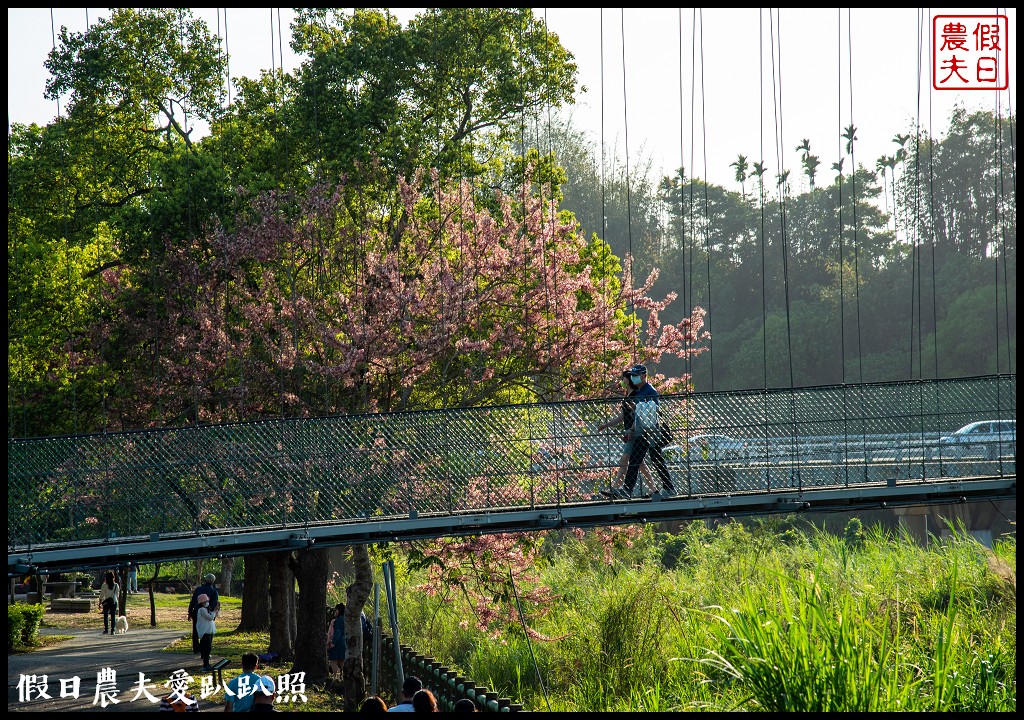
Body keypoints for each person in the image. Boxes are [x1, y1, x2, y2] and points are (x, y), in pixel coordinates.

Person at [603, 364, 674, 499]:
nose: (634, 378)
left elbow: (650, 412)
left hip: (651, 432)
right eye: (633, 376)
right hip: (643, 433)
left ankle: (668, 488)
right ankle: (628, 490)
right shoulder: (640, 391)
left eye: (636, 376)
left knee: (654, 459)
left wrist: (635, 411)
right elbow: (639, 414)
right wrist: (632, 428)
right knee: (638, 460)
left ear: (644, 375)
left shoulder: (649, 391)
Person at [597, 369, 653, 491]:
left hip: (633, 432)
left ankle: (616, 488)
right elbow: (622, 417)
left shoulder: (634, 396)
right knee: (640, 464)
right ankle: (654, 489)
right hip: (630, 431)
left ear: (628, 380)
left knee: (624, 460)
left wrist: (631, 430)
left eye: (624, 378)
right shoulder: (627, 396)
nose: (622, 381)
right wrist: (606, 425)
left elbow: (637, 415)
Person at [188, 573, 219, 655]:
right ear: (213, 581)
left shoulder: (198, 589)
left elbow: (193, 601)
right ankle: (205, 650)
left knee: (195, 631)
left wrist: (190, 612)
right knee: (207, 631)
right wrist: (212, 613)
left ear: (205, 580)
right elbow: (213, 604)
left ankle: (196, 649)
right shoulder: (214, 592)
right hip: (207, 613)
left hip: (196, 612)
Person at [195, 592, 218, 671]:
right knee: (206, 650)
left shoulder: (206, 610)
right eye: (205, 601)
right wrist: (214, 611)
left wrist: (216, 610)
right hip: (205, 633)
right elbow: (210, 617)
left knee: (208, 649)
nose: (207, 603)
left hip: (209, 632)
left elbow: (214, 615)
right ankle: (205, 665)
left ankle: (207, 664)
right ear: (201, 603)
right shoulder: (201, 610)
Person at [326, 603, 347, 676]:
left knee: (333, 661)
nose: (335, 611)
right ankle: (345, 676)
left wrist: (333, 642)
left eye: (337, 610)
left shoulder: (339, 619)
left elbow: (337, 632)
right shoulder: (344, 619)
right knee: (342, 661)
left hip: (338, 643)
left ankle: (335, 676)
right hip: (343, 642)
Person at [97, 570, 119, 635]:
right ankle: (113, 630)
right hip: (114, 602)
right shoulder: (116, 585)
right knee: (113, 616)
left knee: (105, 616)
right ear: (113, 577)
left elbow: (101, 595)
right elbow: (117, 595)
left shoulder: (104, 585)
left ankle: (106, 629)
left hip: (106, 602)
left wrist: (100, 603)